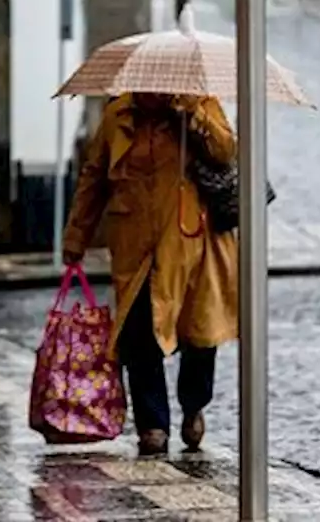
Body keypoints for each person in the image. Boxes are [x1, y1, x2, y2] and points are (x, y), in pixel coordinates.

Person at [62, 92, 238, 455]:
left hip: (192, 244)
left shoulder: (199, 104)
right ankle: (153, 424)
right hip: (136, 247)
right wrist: (76, 237)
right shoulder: (117, 116)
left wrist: (193, 116)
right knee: (137, 336)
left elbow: (225, 151)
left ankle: (194, 405)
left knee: (199, 335)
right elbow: (94, 177)